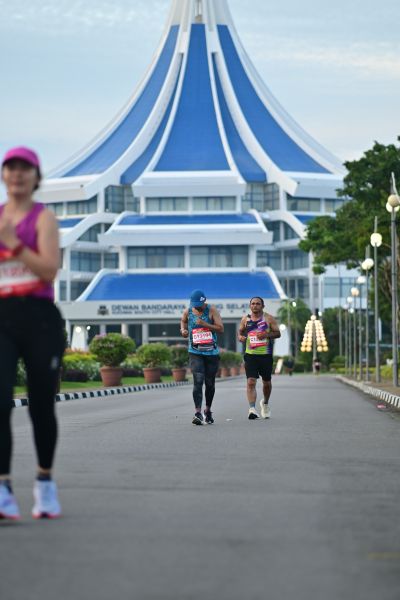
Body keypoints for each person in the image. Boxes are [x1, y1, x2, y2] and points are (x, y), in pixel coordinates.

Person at [0, 147, 65, 520]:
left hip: (39, 318)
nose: (17, 174)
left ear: (36, 177)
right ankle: (3, 488)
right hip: (2, 317)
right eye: (11, 168)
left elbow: (48, 270)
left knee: (41, 405)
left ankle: (44, 482)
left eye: (25, 169)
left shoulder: (44, 219)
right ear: (4, 176)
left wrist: (14, 245)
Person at [180, 289, 223, 425]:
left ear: (204, 301)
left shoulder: (212, 310)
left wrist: (205, 324)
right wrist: (183, 330)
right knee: (198, 380)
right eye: (194, 305)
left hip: (211, 352)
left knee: (209, 383)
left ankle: (207, 410)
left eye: (199, 305)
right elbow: (183, 321)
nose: (197, 308)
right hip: (195, 351)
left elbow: (221, 329)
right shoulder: (188, 311)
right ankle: (197, 413)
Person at [238, 297, 281, 420]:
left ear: (262, 306)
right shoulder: (245, 319)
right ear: (250, 306)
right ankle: (252, 409)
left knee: (266, 383)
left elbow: (278, 333)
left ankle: (265, 403)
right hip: (250, 355)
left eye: (258, 304)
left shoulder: (269, 318)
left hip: (265, 355)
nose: (255, 306)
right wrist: (240, 337)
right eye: (253, 304)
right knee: (251, 381)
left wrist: (266, 334)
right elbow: (240, 332)